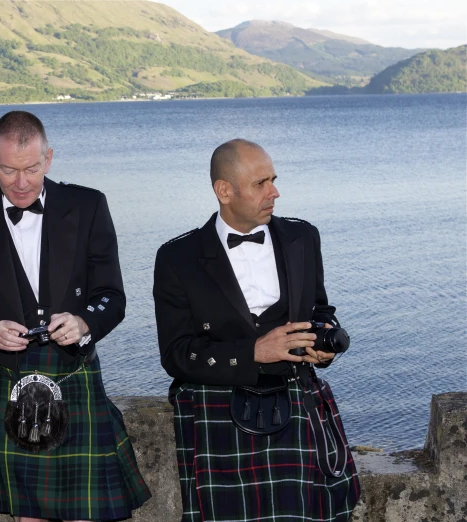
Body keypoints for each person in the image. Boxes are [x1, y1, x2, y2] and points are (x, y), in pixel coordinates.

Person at [0, 111, 151, 522]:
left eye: (32, 168)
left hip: (71, 373)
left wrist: (84, 323)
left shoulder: (88, 205)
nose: (21, 182)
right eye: (8, 170)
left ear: (49, 158)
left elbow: (112, 297)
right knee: (29, 516)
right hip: (5, 381)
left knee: (84, 513)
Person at [153, 139, 360, 522]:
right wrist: (253, 352)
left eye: (273, 180)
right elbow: (177, 353)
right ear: (224, 191)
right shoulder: (177, 258)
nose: (274, 192)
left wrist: (323, 339)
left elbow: (319, 310)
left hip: (296, 396)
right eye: (261, 183)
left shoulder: (302, 237)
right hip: (218, 407)